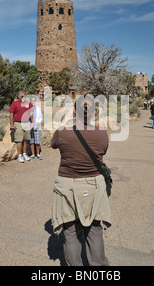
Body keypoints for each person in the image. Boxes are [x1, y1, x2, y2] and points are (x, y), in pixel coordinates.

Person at [51, 97, 111, 266]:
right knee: (94, 231)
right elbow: (102, 151)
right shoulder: (101, 133)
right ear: (95, 112)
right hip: (93, 186)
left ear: (75, 111)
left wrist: (68, 117)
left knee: (70, 232)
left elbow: (53, 143)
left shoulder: (63, 132)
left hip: (67, 186)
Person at [9, 90, 33, 163]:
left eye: (24, 96)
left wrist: (32, 123)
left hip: (26, 123)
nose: (23, 97)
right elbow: (11, 114)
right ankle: (20, 155)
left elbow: (31, 113)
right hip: (18, 123)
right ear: (19, 96)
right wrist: (11, 124)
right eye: (21, 96)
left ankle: (24, 154)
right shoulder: (15, 103)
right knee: (19, 140)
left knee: (25, 139)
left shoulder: (28, 104)